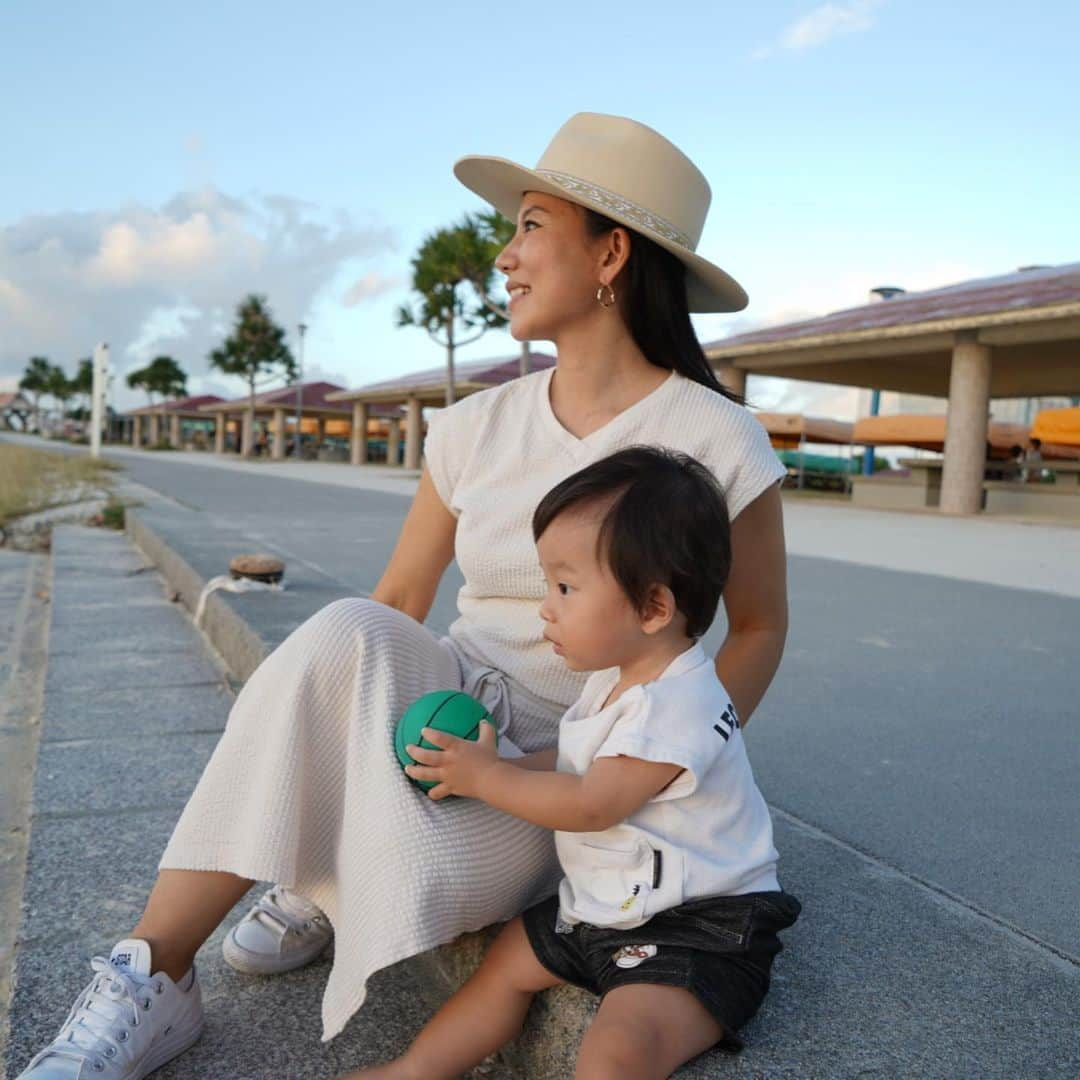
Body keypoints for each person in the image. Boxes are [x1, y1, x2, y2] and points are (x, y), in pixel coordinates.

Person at [16, 113, 789, 1078]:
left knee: (427, 834)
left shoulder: (716, 437)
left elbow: (757, 628)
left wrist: (663, 758)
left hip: (567, 771)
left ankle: (318, 870)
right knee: (348, 627)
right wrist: (373, 741)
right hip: (444, 707)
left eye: (530, 227)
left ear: (612, 252)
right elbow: (397, 600)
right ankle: (155, 973)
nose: (503, 257)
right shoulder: (472, 426)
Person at [349, 446, 799, 1080]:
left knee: (622, 1045)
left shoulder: (680, 705)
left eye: (565, 586)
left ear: (653, 608)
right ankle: (417, 1069)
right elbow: (571, 761)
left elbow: (592, 804)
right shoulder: (623, 681)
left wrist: (487, 776)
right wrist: (493, 762)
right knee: (504, 966)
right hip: (604, 904)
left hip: (696, 926)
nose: (546, 607)